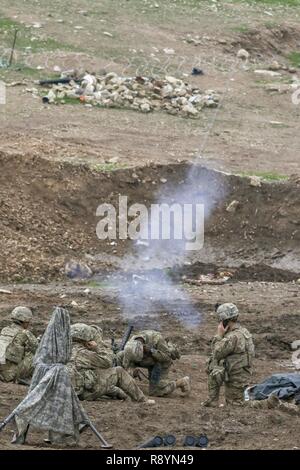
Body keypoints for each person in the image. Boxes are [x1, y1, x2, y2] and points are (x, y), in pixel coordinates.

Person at [67, 323, 150, 403]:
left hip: (70, 391)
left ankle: (120, 394)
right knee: (119, 371)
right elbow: (108, 362)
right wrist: (97, 348)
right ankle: (142, 400)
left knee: (101, 378)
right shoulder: (83, 353)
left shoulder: (65, 351)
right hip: (84, 393)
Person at [203, 303, 255, 407]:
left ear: (225, 320)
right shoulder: (244, 332)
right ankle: (212, 401)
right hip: (242, 375)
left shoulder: (232, 337)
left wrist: (219, 335)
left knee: (236, 406)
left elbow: (217, 353)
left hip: (236, 379)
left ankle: (268, 403)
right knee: (213, 364)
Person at [118, 330, 190, 397]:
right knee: (120, 355)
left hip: (159, 362)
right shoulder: (131, 345)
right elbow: (126, 364)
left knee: (155, 391)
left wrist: (152, 351)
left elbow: (167, 357)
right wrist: (130, 372)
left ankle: (181, 382)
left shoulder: (157, 339)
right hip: (146, 360)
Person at [0, 306, 38, 383]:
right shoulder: (26, 333)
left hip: (1, 372)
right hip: (12, 375)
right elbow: (38, 349)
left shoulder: (4, 330)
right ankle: (25, 378)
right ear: (25, 320)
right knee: (34, 355)